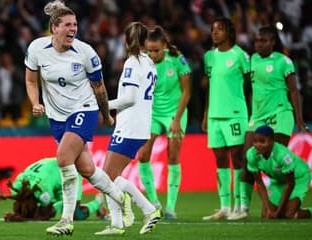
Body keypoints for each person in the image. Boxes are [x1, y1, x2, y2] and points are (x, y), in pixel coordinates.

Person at [24, 1, 131, 236]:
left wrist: (105, 115)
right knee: (87, 169)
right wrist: (35, 103)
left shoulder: (86, 53)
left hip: (84, 109)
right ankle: (121, 199)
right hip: (57, 116)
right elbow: (31, 81)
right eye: (67, 25)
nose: (73, 29)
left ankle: (66, 221)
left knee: (63, 158)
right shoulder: (36, 49)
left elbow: (100, 88)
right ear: (54, 28)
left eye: (75, 25)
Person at [235, 25, 311, 220]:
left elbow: (294, 90)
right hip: (258, 116)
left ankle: (285, 202)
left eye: (264, 40)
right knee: (247, 160)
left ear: (273, 42)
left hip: (280, 114)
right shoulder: (251, 60)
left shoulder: (283, 61)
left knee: (274, 160)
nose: (259, 44)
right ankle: (243, 209)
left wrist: (299, 118)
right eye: (257, 41)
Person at [95, 21, 161, 236]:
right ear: (145, 41)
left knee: (107, 177)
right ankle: (116, 224)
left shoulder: (132, 63)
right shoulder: (149, 63)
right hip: (138, 125)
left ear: (125, 40)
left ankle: (148, 209)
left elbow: (130, 98)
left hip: (130, 126)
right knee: (108, 176)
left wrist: (105, 105)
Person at [137, 25, 191, 220]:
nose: (152, 54)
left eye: (156, 50)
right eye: (149, 50)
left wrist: (176, 119)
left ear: (164, 46)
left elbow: (187, 91)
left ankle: (171, 208)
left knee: (173, 157)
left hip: (174, 113)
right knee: (143, 155)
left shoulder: (177, 59)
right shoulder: (143, 62)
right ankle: (154, 202)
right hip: (153, 113)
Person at [201, 17, 250, 220]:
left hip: (235, 114)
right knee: (220, 160)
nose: (215, 33)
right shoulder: (209, 57)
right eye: (213, 29)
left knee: (237, 159)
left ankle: (241, 206)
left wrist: (254, 113)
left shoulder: (240, 55)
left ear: (229, 32)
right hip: (214, 116)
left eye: (219, 29)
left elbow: (251, 85)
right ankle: (225, 207)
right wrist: (205, 113)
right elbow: (211, 87)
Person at [0, 158, 107, 222]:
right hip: (52, 171)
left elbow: (46, 214)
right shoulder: (16, 189)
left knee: (75, 214)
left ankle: (98, 201)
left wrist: (25, 219)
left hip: (69, 172)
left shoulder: (43, 189)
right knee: (63, 205)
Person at [246, 125, 312, 219]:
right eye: (255, 141)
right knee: (266, 215)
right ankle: (289, 208)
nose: (257, 145)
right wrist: (269, 208)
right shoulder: (251, 154)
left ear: (272, 141)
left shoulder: (282, 155)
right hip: (278, 180)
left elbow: (290, 184)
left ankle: (308, 211)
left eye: (262, 141)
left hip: (298, 178)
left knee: (288, 215)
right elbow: (259, 183)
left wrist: (278, 212)